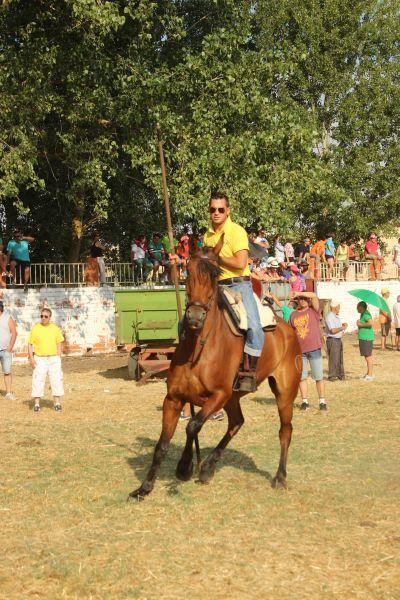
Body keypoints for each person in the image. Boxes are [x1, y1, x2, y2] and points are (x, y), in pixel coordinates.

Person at [204, 191, 264, 393]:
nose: (216, 213)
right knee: (191, 319)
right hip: (216, 286)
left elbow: (240, 263)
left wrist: (217, 259)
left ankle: (249, 372)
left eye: (221, 209)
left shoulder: (237, 231)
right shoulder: (208, 235)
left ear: (228, 211)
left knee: (255, 327)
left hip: (239, 284)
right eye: (213, 209)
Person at [289, 291, 327, 411]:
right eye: (300, 299)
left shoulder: (313, 311)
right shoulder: (293, 315)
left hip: (314, 348)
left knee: (318, 376)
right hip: (300, 351)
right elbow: (290, 333)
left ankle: (322, 401)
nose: (303, 300)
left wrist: (298, 293)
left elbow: (315, 295)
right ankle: (305, 401)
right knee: (301, 377)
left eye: (305, 298)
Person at [28, 307, 65, 412]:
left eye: (45, 316)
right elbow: (30, 344)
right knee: (38, 380)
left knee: (56, 380)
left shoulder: (55, 328)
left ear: (50, 317)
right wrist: (31, 358)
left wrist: (58, 356)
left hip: (53, 358)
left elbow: (59, 342)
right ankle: (37, 404)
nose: (43, 318)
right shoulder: (35, 328)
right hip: (40, 359)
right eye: (41, 316)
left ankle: (57, 403)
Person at [325, 300, 347, 381]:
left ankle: (340, 374)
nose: (339, 308)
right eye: (339, 306)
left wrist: (342, 326)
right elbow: (333, 330)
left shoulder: (335, 316)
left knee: (339, 358)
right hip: (332, 339)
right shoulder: (330, 316)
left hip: (337, 339)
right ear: (335, 307)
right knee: (334, 358)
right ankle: (332, 375)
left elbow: (336, 328)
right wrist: (342, 327)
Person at [0, 297, 17, 399]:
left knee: (7, 372)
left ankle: (9, 393)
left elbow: (14, 333)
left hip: (5, 350)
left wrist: (10, 346)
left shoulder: (7, 318)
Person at [356, 301, 374, 381]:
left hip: (366, 338)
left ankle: (370, 375)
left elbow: (370, 323)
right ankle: (368, 374)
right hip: (364, 337)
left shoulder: (366, 314)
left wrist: (360, 325)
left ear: (362, 307)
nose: (357, 308)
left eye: (358, 307)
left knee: (368, 357)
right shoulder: (363, 314)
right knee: (366, 356)